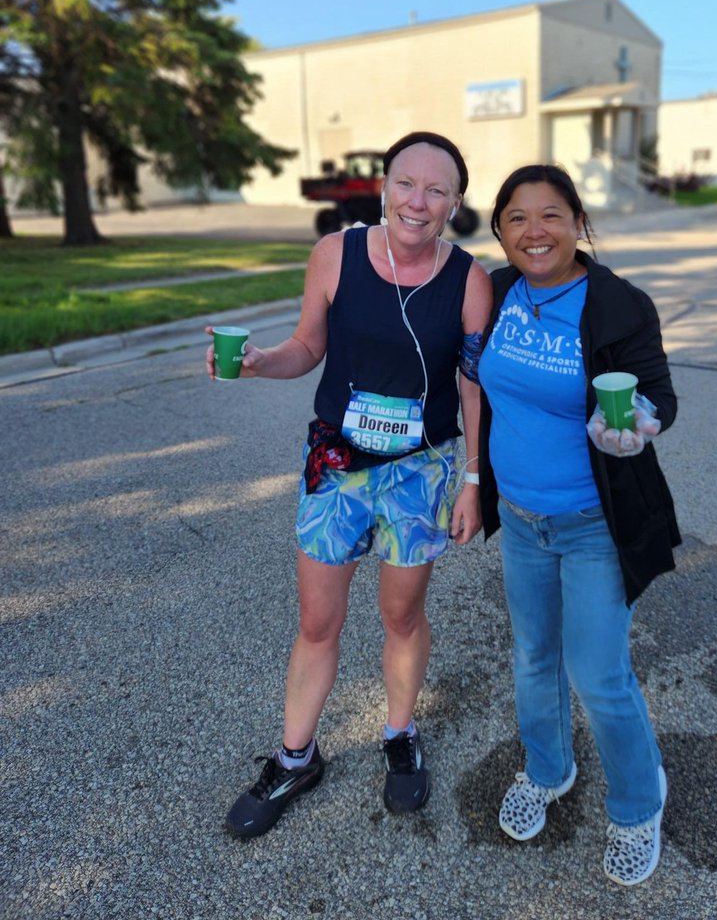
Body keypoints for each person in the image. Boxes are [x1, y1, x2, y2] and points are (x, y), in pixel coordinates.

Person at [209, 132, 492, 839]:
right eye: (406, 183)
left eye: (437, 190)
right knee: (317, 622)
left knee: (401, 616)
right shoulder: (335, 253)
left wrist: (473, 480)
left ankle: (399, 734)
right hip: (336, 466)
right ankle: (296, 756)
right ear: (383, 185)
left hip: (420, 471)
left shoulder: (469, 280)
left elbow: (471, 384)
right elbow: (308, 346)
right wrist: (260, 362)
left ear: (456, 203)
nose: (418, 201)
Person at [476, 164, 679, 887]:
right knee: (532, 658)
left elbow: (656, 393)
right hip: (521, 518)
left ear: (578, 222)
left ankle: (636, 803)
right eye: (517, 218)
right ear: (498, 229)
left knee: (597, 673)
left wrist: (640, 424)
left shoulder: (618, 304)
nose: (535, 231)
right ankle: (548, 769)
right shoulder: (493, 292)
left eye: (551, 215)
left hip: (595, 521)